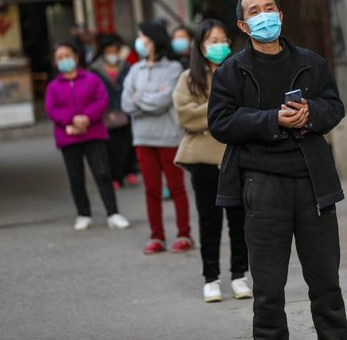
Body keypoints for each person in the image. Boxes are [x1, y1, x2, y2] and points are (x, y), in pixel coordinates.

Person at [208, 0, 347, 339]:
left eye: (269, 7)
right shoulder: (232, 71)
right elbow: (220, 122)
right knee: (269, 292)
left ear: (281, 14)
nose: (264, 15)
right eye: (255, 11)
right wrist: (272, 120)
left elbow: (334, 107)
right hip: (262, 184)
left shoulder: (311, 62)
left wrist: (309, 114)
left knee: (327, 285)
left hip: (313, 184)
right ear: (244, 25)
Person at [173, 19, 251, 303]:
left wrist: (213, 113)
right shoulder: (188, 78)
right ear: (200, 46)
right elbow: (185, 115)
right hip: (202, 158)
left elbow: (249, 110)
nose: (219, 46)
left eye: (222, 40)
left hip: (236, 154)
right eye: (212, 41)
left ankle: (240, 274)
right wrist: (223, 109)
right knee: (209, 220)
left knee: (239, 219)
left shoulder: (239, 71)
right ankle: (211, 278)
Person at [121, 20, 193, 255]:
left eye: (143, 37)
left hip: (168, 137)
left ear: (155, 41)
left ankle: (184, 234)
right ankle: (157, 236)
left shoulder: (173, 68)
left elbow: (164, 101)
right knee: (151, 190)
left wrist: (139, 98)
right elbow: (125, 103)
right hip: (142, 138)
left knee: (176, 188)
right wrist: (148, 98)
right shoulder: (134, 69)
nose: (140, 42)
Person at [45, 42, 130, 231]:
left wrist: (87, 118)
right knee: (76, 177)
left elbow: (102, 100)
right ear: (54, 62)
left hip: (94, 133)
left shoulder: (91, 79)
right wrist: (71, 119)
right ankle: (83, 214)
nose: (64, 60)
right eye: (60, 57)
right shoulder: (53, 86)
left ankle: (113, 213)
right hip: (68, 136)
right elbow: (51, 109)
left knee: (102, 173)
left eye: (67, 55)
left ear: (76, 57)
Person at [90, 34, 139, 190]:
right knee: (110, 147)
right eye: (108, 51)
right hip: (106, 112)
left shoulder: (126, 67)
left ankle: (128, 171)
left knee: (127, 143)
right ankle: (115, 176)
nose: (112, 54)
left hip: (125, 110)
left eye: (114, 50)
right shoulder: (95, 69)